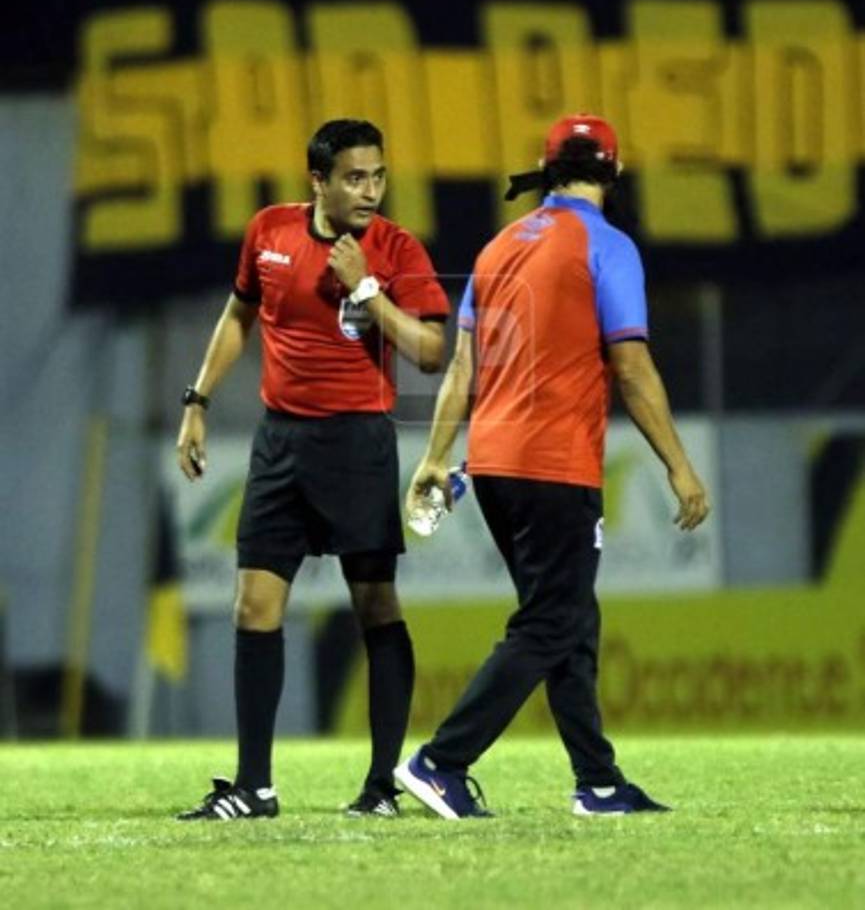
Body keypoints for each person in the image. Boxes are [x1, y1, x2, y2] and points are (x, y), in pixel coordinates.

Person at [395, 114, 709, 818]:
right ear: (614, 174)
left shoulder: (499, 244)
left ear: (546, 168)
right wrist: (678, 466)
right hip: (552, 463)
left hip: (493, 464)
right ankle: (440, 761)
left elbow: (464, 367)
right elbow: (629, 365)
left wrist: (434, 458)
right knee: (549, 623)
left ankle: (597, 782)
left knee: (566, 617)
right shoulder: (606, 245)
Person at [175, 119, 450, 820]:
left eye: (378, 176)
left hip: (358, 443)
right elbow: (239, 316)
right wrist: (198, 401)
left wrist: (366, 293)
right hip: (280, 446)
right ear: (317, 180)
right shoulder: (268, 232)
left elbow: (427, 351)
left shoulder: (394, 249)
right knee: (253, 607)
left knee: (374, 607)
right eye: (354, 177)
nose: (370, 190)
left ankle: (383, 785)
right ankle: (254, 788)